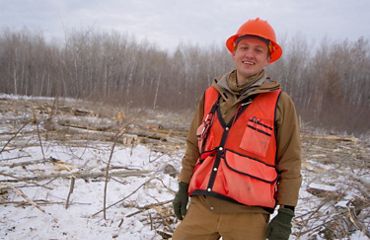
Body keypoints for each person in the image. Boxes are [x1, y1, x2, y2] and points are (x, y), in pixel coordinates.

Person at [172, 17, 302, 240]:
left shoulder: (280, 102)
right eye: (244, 48)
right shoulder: (210, 95)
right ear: (234, 52)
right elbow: (194, 145)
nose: (249, 55)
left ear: (268, 58)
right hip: (203, 207)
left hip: (249, 216)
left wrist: (286, 212)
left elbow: (290, 161)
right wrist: (183, 186)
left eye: (258, 50)